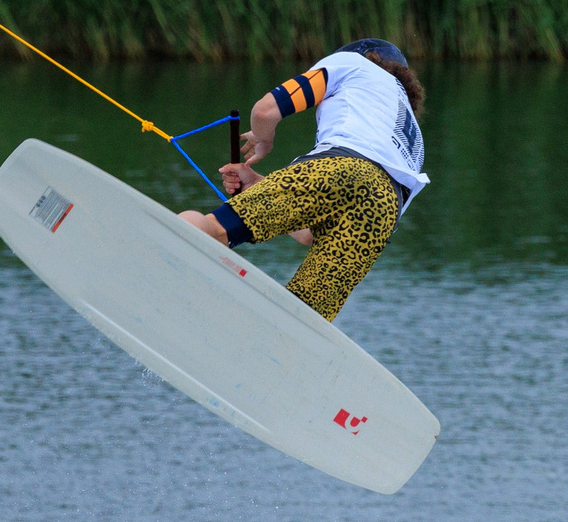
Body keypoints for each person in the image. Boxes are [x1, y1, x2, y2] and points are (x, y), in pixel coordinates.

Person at [178, 40, 428, 322]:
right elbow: (312, 235)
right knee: (303, 320)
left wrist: (263, 139)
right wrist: (257, 185)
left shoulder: (354, 64)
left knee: (216, 230)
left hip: (341, 166)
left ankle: (164, 252)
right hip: (384, 209)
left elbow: (265, 111)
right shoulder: (415, 142)